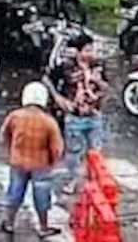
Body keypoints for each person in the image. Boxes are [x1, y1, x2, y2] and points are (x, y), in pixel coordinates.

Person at [44, 33, 107, 195]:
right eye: (87, 50)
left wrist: (98, 85)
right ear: (78, 52)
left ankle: (93, 179)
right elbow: (47, 79)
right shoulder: (66, 66)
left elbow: (106, 85)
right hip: (74, 116)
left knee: (95, 150)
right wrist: (58, 98)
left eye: (92, 50)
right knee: (73, 152)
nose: (91, 53)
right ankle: (73, 179)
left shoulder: (98, 66)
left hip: (94, 114)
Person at [0, 81, 65, 236]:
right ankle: (43, 227)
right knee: (42, 195)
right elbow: (57, 148)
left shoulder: (14, 116)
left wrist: (10, 153)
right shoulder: (49, 121)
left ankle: (9, 223)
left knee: (15, 192)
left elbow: (4, 135)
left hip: (18, 162)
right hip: (41, 164)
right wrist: (53, 162)